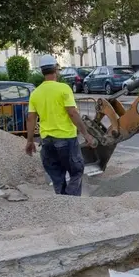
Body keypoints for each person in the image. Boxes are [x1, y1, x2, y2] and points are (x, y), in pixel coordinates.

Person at [25, 55, 95, 196]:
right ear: (56, 69)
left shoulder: (35, 93)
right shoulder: (63, 89)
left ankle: (62, 202)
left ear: (42, 71)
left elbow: (31, 118)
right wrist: (86, 134)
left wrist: (30, 141)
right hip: (66, 138)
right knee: (76, 171)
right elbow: (72, 113)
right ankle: (71, 201)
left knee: (57, 177)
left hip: (47, 141)